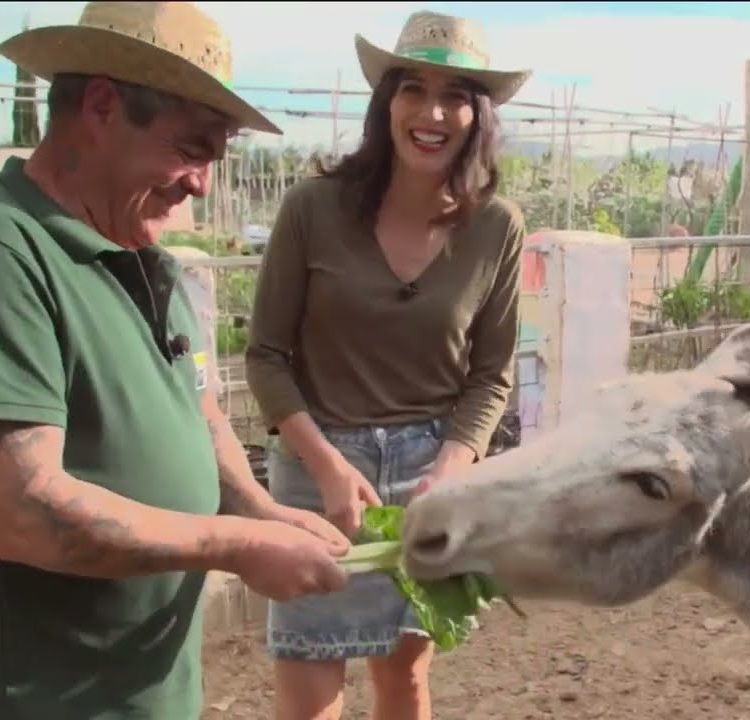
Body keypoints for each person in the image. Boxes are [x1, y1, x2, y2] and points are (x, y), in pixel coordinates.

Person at [0, 3, 352, 719]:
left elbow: (198, 410)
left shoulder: (138, 255)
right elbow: (26, 511)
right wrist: (237, 544)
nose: (202, 183)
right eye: (191, 149)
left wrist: (261, 509)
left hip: (149, 694)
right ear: (101, 105)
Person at [244, 10, 531, 720]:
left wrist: (452, 466)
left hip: (428, 470)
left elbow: (491, 374)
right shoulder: (313, 209)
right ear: (386, 104)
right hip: (316, 469)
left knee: (404, 675)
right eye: (413, 89)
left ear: (478, 115)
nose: (432, 113)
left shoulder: (496, 227)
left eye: (455, 95)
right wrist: (325, 465)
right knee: (310, 686)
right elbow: (267, 356)